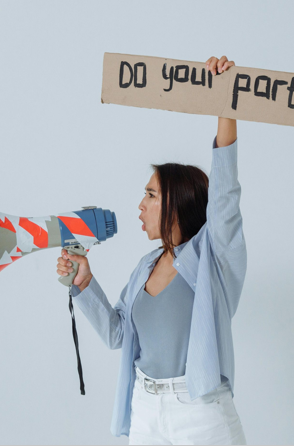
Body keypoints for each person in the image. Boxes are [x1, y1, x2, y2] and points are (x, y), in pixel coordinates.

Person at [56, 55, 247, 445]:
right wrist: (84, 283)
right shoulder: (146, 266)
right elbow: (117, 335)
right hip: (144, 410)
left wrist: (226, 104)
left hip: (200, 412)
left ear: (177, 202)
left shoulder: (214, 258)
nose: (140, 206)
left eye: (151, 195)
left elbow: (225, 195)